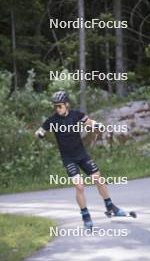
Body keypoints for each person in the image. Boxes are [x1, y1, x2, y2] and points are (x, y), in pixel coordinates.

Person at [35, 90, 125, 229]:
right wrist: (39, 134)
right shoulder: (52, 120)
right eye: (55, 106)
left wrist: (97, 125)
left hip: (82, 155)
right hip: (68, 158)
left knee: (98, 178)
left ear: (67, 104)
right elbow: (40, 130)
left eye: (60, 106)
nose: (57, 109)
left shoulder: (76, 115)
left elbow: (89, 122)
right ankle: (86, 216)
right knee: (79, 186)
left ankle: (110, 206)